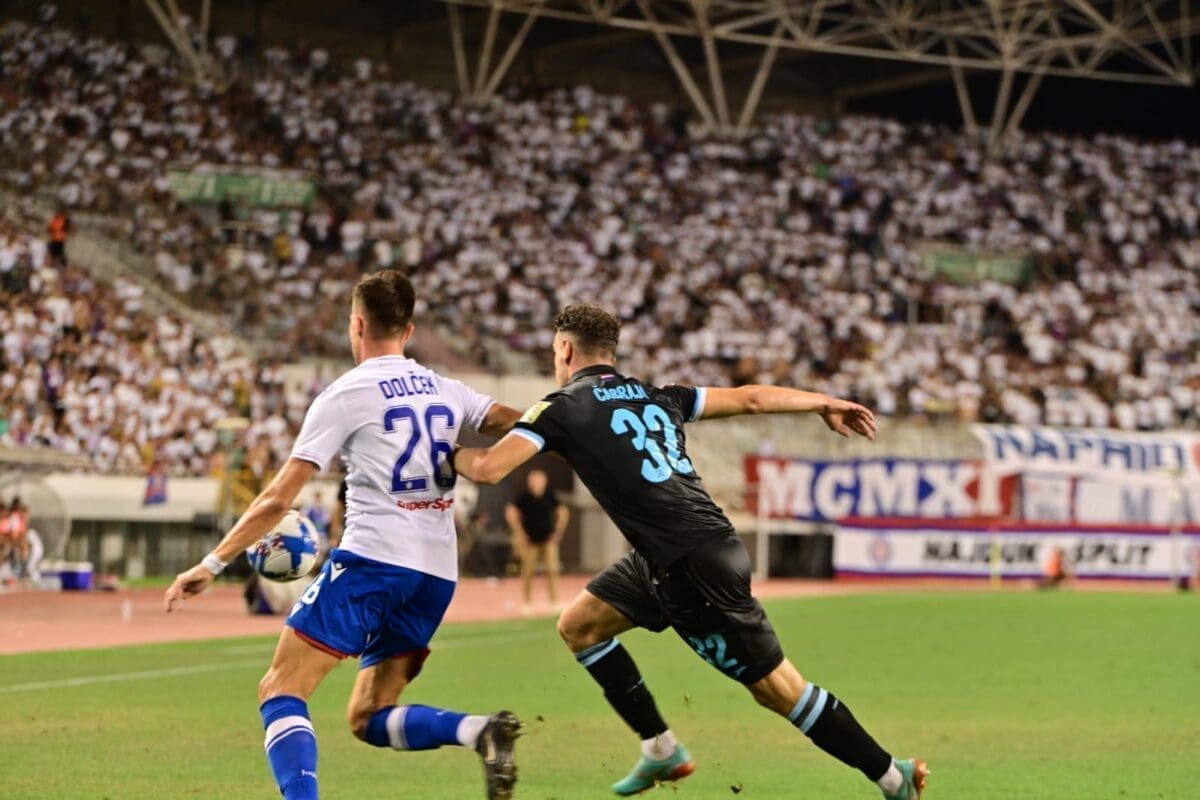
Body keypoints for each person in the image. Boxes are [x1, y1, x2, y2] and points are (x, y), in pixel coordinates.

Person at [455, 304, 928, 799]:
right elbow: (750, 399)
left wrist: (438, 447)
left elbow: (487, 470)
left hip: (691, 568)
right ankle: (660, 748)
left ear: (565, 350)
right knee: (580, 626)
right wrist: (823, 401)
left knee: (780, 691)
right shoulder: (657, 396)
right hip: (672, 554)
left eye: (555, 352)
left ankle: (893, 778)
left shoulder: (562, 406)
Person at [164, 270, 525, 800]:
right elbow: (513, 419)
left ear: (356, 324)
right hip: (435, 576)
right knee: (367, 715)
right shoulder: (450, 392)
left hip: (373, 561)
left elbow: (276, 499)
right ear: (410, 329)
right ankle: (480, 730)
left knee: (280, 690)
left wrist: (213, 563)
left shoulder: (347, 393)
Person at [506, 469, 568, 613]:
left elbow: (563, 512)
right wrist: (520, 533)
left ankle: (554, 601)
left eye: (539, 479)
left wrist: (558, 532)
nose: (536, 483)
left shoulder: (550, 495)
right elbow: (511, 512)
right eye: (533, 480)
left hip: (548, 539)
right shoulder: (524, 497)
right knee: (528, 571)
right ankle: (527, 602)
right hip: (530, 541)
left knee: (552, 570)